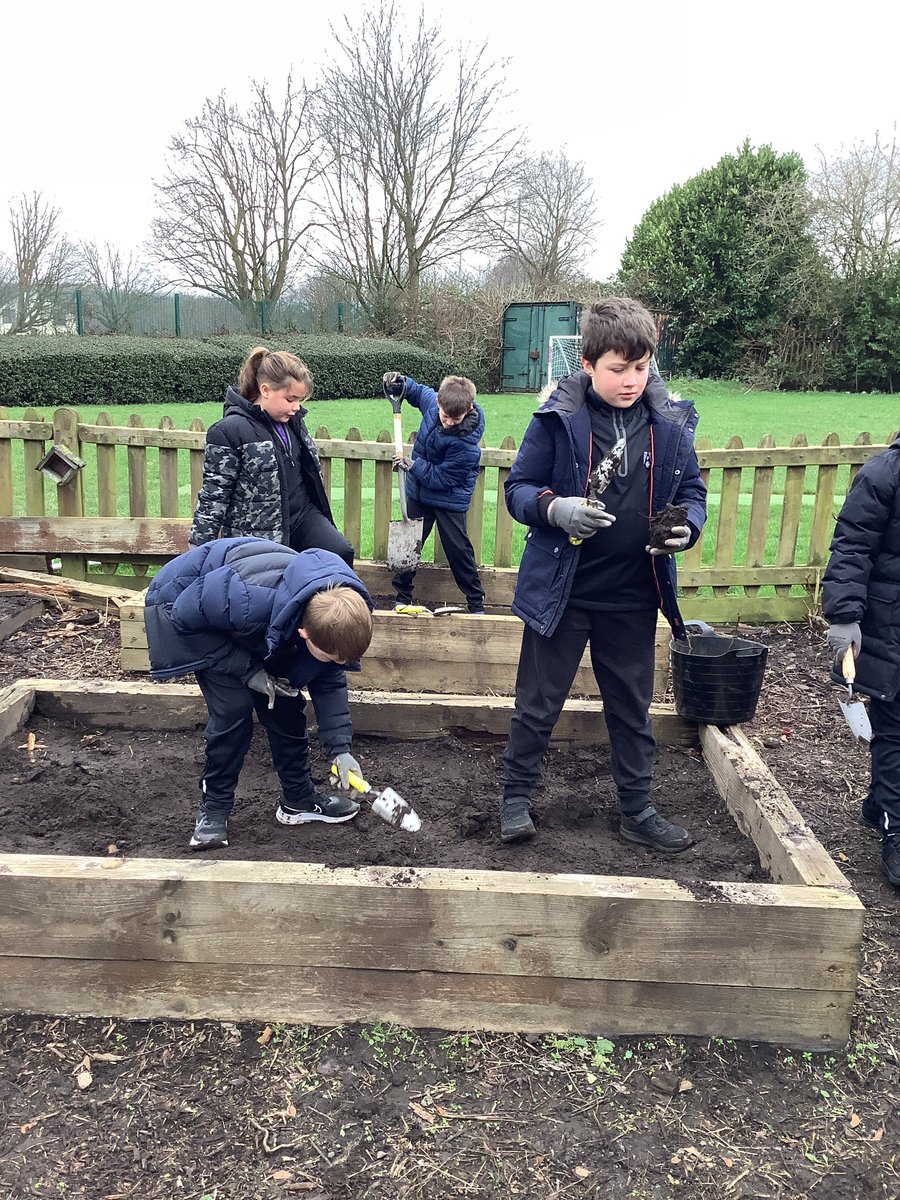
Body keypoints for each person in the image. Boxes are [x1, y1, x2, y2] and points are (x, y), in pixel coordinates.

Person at [499, 296, 707, 850]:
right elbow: (517, 488)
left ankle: (637, 812)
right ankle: (515, 802)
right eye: (618, 369)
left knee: (631, 708)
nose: (632, 380)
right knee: (538, 704)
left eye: (641, 367)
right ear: (588, 364)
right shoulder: (558, 420)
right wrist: (554, 508)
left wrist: (691, 525)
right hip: (563, 592)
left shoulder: (670, 423)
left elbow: (692, 491)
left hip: (634, 594)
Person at [144, 538, 374, 851]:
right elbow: (184, 616)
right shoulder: (246, 599)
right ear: (304, 634)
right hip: (184, 608)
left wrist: (340, 749)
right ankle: (213, 810)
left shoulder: (335, 610)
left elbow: (329, 678)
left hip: (250, 618)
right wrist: (249, 671)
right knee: (233, 711)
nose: (338, 664)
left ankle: (298, 800)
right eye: (332, 656)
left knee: (285, 702)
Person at [190, 346, 355, 566]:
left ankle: (332, 602)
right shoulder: (228, 431)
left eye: (300, 400)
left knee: (339, 553)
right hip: (257, 533)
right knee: (273, 584)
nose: (297, 407)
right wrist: (196, 556)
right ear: (266, 390)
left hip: (302, 518)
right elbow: (213, 498)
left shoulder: (294, 423)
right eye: (290, 399)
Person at [822, 434, 900, 887]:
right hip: (890, 626)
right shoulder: (884, 475)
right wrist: (845, 617)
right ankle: (897, 831)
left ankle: (880, 805)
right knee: (894, 728)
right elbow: (851, 548)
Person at [383, 370, 486, 614]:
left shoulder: (467, 445)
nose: (448, 422)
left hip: (449, 499)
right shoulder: (434, 404)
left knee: (458, 551)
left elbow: (442, 478)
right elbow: (419, 393)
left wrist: (413, 466)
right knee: (409, 544)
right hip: (419, 493)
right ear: (439, 402)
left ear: (469, 409)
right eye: (444, 415)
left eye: (455, 418)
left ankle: (476, 603)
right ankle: (402, 597)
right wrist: (403, 384)